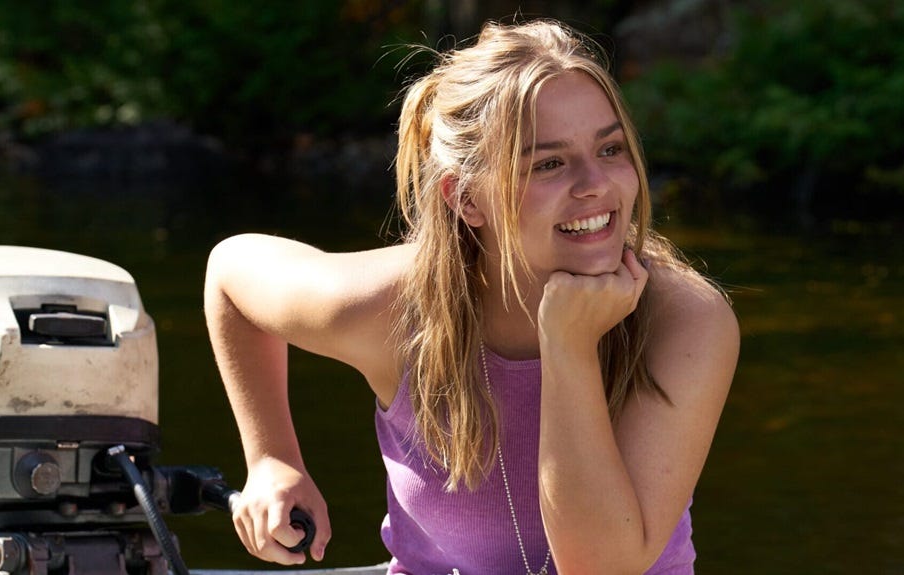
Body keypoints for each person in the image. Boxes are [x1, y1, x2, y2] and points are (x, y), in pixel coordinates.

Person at [204, 18, 739, 575]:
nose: (595, 184)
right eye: (549, 163)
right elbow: (231, 273)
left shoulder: (684, 321)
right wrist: (271, 458)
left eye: (610, 148)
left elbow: (599, 566)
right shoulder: (395, 310)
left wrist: (569, 347)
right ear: (467, 200)